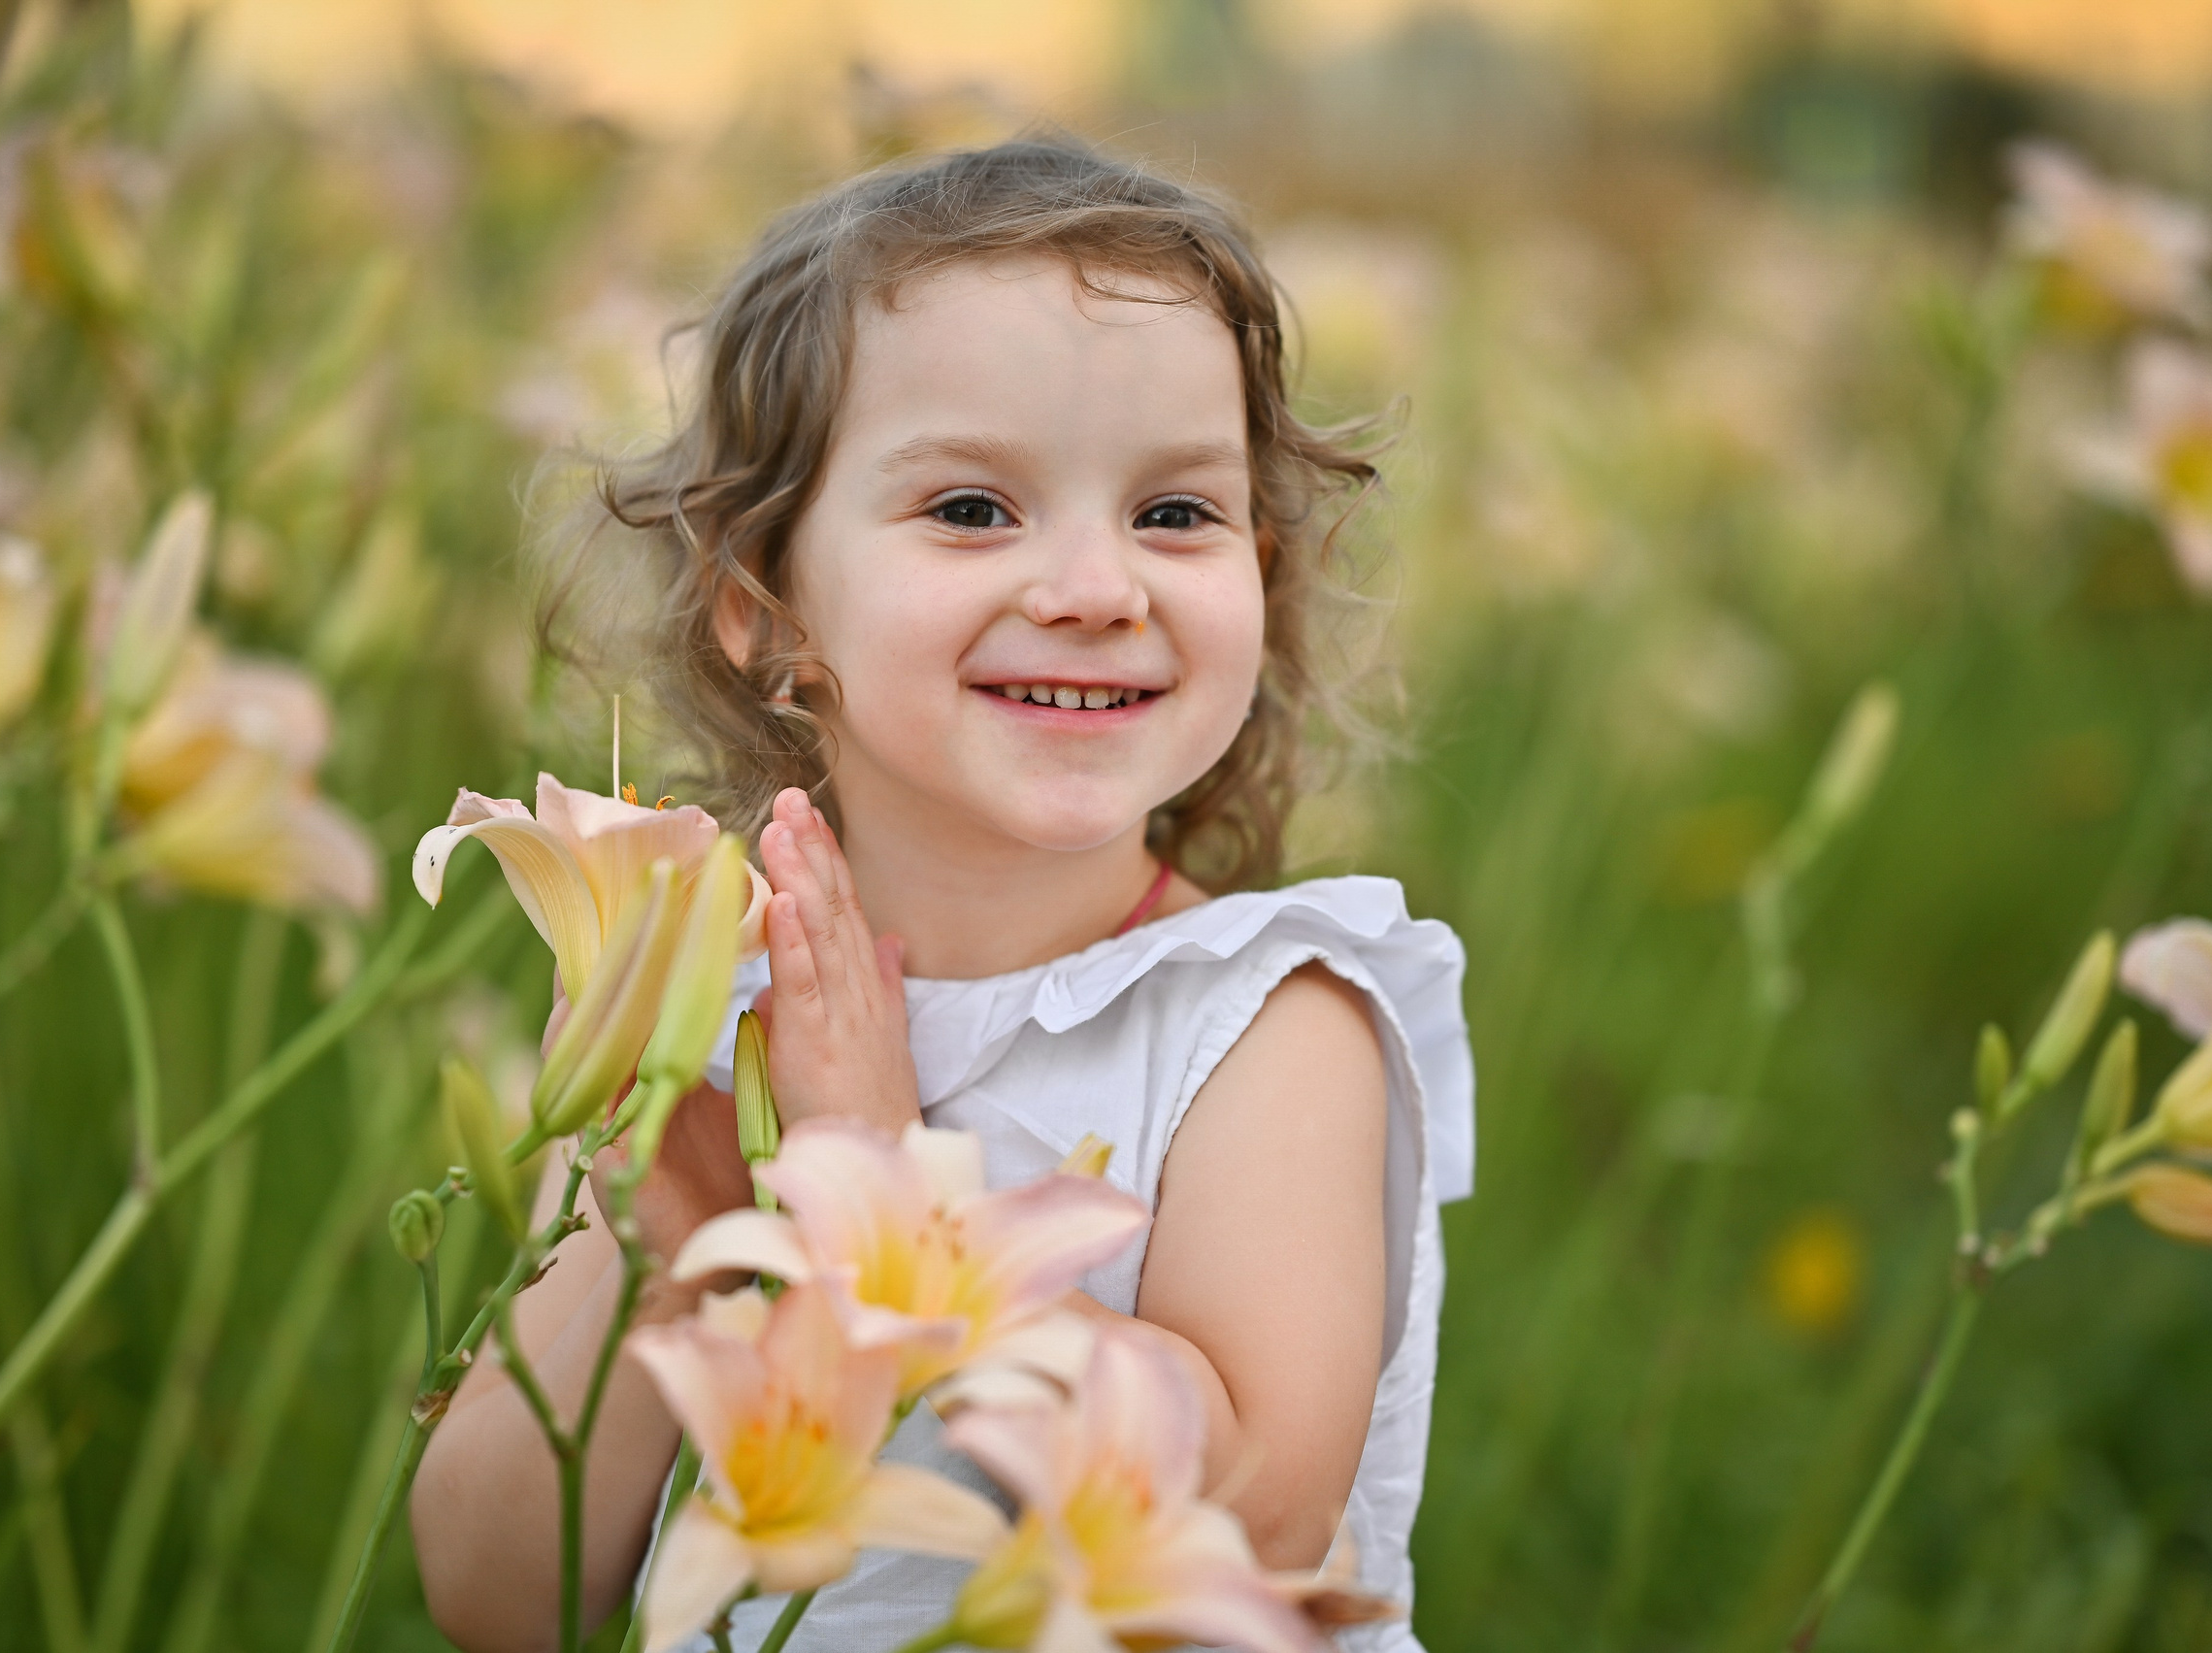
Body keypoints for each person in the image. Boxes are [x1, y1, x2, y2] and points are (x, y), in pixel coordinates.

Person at [410, 136, 1471, 1653]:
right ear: (761, 604)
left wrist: (878, 1183)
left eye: (1176, 514)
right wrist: (652, 1277)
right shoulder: (710, 1003)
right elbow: (492, 1601)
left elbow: (1258, 1515)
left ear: (1265, 577)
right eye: (975, 509)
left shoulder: (1269, 1022)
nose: (1099, 589)